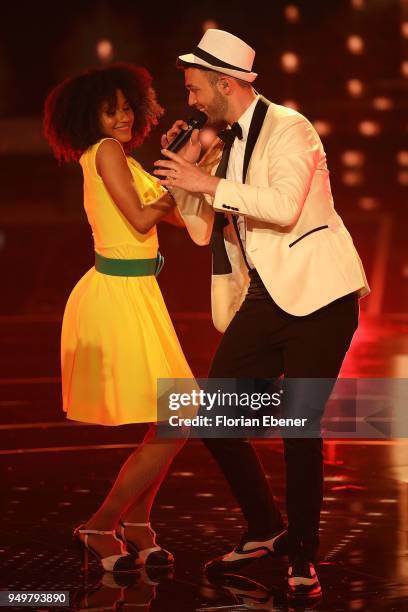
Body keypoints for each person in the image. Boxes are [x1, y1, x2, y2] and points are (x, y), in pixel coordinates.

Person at [154, 29, 369, 599]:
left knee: (301, 429)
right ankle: (266, 527)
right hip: (267, 296)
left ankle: (302, 553)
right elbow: (202, 230)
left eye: (197, 88)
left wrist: (210, 180)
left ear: (226, 84)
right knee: (216, 417)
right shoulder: (226, 140)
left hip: (321, 297)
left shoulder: (290, 128)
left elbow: (282, 206)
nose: (192, 100)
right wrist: (187, 168)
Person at [43, 63, 193, 573]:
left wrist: (191, 165)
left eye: (128, 107)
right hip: (117, 294)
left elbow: (179, 214)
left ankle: (136, 523)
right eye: (113, 110)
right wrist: (181, 179)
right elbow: (143, 217)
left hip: (138, 292)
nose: (124, 117)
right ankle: (102, 523)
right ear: (92, 117)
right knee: (179, 416)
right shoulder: (105, 152)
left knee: (174, 417)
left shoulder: (124, 161)